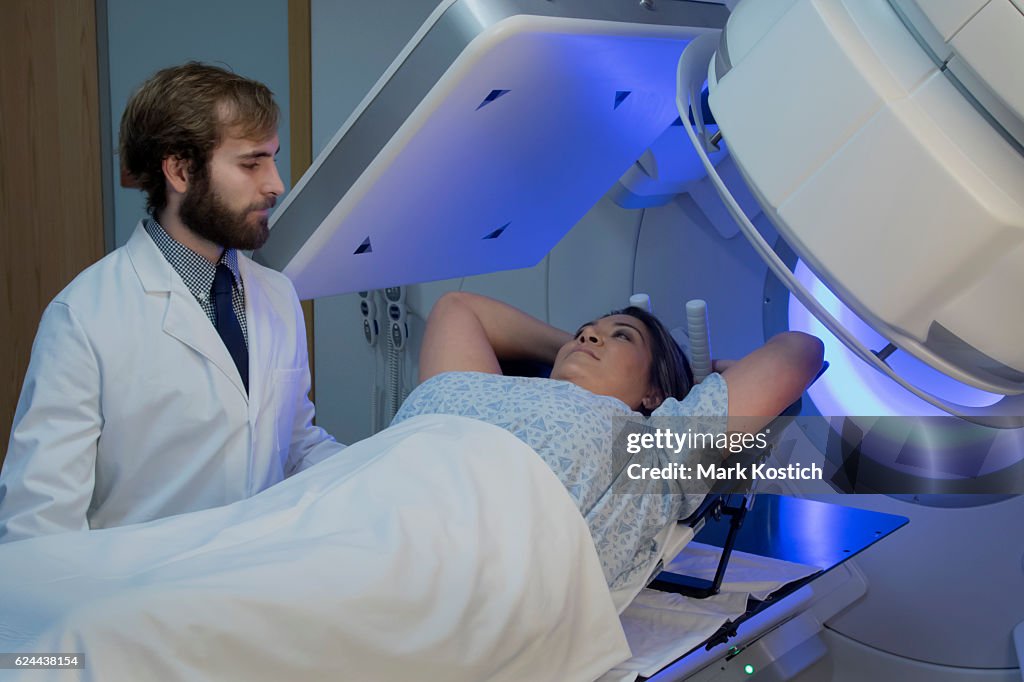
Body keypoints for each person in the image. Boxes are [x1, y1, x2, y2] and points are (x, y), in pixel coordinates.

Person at [0, 62, 344, 543]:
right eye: (251, 163)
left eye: (273, 158)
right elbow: (38, 526)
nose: (275, 184)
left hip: (255, 581)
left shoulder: (277, 294)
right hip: (139, 601)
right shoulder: (84, 318)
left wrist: (380, 471)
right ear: (180, 170)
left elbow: (295, 445)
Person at [393, 291, 824, 591]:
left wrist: (696, 376)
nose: (587, 336)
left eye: (623, 335)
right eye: (583, 331)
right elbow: (458, 307)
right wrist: (580, 348)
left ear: (653, 395)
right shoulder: (474, 387)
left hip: (429, 555)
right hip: (375, 496)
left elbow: (800, 349)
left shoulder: (648, 444)